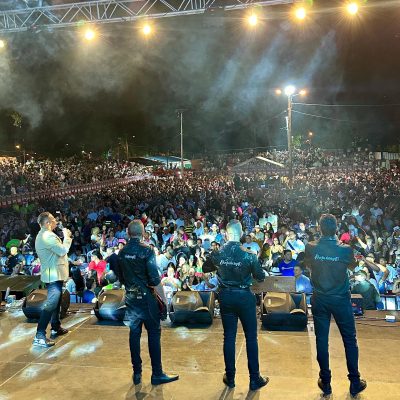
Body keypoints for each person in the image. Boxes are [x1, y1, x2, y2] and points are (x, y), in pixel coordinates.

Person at [305, 214, 366, 398]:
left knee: (321, 340)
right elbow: (352, 267)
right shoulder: (345, 250)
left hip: (320, 298)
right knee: (349, 340)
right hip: (340, 299)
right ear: (336, 228)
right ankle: (354, 382)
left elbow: (309, 267)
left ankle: (326, 382)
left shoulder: (311, 247)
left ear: (319, 228)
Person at [203, 220, 268, 391]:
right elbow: (260, 277)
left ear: (226, 234)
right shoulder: (249, 255)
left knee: (229, 337)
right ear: (241, 234)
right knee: (251, 338)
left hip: (226, 297)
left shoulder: (218, 253)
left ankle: (230, 377)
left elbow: (205, 267)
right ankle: (254, 378)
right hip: (244, 297)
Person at [118, 220, 179, 386]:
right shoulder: (147, 250)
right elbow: (154, 279)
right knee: (154, 333)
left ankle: (137, 372)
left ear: (128, 233)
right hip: (146, 298)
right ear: (143, 233)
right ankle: (157, 374)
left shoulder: (122, 252)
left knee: (134, 334)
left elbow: (121, 276)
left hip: (131, 298)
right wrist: (164, 301)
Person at [33, 212, 72, 347]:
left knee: (56, 301)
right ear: (47, 223)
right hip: (53, 275)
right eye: (54, 220)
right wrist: (67, 237)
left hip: (55, 274)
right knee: (51, 303)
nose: (56, 221)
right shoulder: (47, 236)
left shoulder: (45, 235)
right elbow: (62, 251)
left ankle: (55, 326)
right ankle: (39, 335)